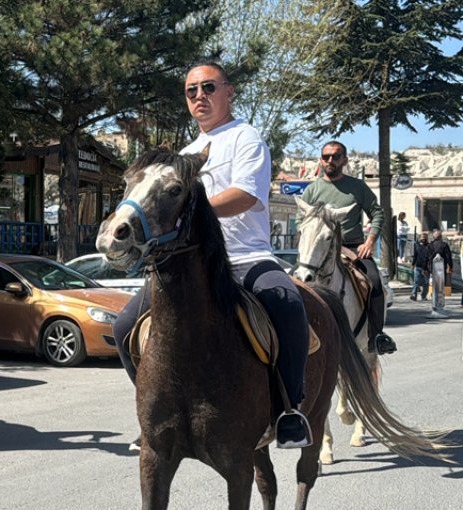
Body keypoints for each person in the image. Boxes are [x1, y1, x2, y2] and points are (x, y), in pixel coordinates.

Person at [112, 60, 312, 449]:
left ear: (229, 91)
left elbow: (247, 195)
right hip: (191, 264)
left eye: (208, 87)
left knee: (287, 306)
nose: (199, 96)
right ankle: (155, 411)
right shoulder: (183, 154)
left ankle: (290, 409)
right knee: (123, 328)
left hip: (245, 257)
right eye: (191, 91)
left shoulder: (246, 138)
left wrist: (194, 210)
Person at [299, 140, 396, 355]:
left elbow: (377, 213)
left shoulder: (357, 187)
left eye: (335, 156)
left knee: (374, 282)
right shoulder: (312, 191)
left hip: (354, 247)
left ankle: (377, 335)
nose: (330, 160)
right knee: (294, 284)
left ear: (344, 160)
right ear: (320, 160)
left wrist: (369, 241)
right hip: (318, 250)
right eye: (326, 157)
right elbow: (301, 221)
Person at [426, 230, 453, 319]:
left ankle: (435, 304)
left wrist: (425, 268)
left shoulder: (429, 245)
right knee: (440, 286)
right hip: (441, 269)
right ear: (441, 237)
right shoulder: (444, 245)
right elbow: (448, 256)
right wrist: (450, 266)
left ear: (433, 237)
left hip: (432, 268)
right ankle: (439, 304)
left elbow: (426, 257)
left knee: (433, 285)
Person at [410, 232, 430, 301]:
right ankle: (413, 295)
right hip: (418, 266)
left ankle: (423, 296)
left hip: (426, 267)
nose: (423, 239)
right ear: (420, 238)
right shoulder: (417, 245)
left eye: (425, 237)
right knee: (416, 282)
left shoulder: (429, 246)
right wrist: (413, 264)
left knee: (425, 283)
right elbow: (415, 256)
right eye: (422, 237)